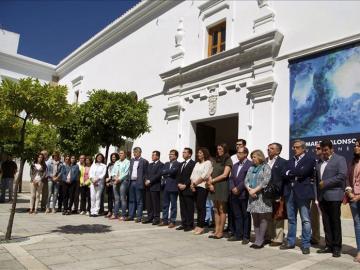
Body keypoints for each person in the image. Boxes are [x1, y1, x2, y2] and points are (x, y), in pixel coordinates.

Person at [281, 140, 316, 255]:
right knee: (291, 219)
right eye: (293, 147)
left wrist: (290, 173)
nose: (294, 149)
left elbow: (303, 172)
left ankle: (305, 244)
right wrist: (293, 173)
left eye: (296, 147)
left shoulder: (310, 159)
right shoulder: (289, 161)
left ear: (303, 148)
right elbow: (283, 173)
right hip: (289, 192)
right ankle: (291, 242)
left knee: (305, 219)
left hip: (303, 193)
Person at [316, 139, 347, 258]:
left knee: (335, 222)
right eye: (322, 150)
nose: (324, 152)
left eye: (326, 150)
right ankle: (328, 245)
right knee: (326, 222)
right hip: (322, 197)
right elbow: (317, 181)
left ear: (331, 149)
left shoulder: (340, 159)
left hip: (334, 196)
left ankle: (337, 247)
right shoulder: (319, 162)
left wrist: (326, 183)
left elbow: (342, 176)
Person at [245, 150, 272, 249]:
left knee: (262, 218)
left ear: (260, 157)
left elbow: (265, 181)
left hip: (262, 197)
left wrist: (254, 190)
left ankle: (260, 240)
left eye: (255, 157)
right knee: (255, 218)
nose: (253, 159)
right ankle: (257, 239)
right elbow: (246, 180)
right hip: (252, 196)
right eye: (252, 157)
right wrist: (249, 190)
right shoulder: (251, 168)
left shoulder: (266, 167)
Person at [265, 143, 288, 246]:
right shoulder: (264, 161)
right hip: (265, 193)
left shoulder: (283, 162)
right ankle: (269, 236)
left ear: (278, 151)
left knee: (278, 216)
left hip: (277, 193)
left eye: (272, 148)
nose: (268, 150)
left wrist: (280, 193)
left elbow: (283, 179)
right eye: (268, 148)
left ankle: (278, 239)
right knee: (267, 215)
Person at [208, 143, 232, 239]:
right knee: (215, 209)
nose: (219, 150)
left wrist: (212, 181)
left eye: (221, 149)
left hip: (222, 186)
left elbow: (225, 175)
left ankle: (221, 231)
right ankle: (216, 230)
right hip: (213, 186)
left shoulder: (228, 160)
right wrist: (210, 182)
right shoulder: (216, 159)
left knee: (222, 209)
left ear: (225, 149)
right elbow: (210, 171)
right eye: (218, 149)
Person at [227, 147, 252, 243]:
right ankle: (238, 234)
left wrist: (238, 188)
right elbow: (231, 178)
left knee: (245, 215)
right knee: (237, 215)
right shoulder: (235, 165)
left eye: (240, 153)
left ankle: (246, 236)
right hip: (234, 194)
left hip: (244, 193)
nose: (238, 154)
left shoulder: (250, 165)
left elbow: (247, 179)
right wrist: (233, 187)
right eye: (237, 152)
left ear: (245, 154)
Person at [190, 147, 213, 235]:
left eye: (200, 153)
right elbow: (192, 175)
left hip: (202, 187)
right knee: (198, 207)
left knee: (201, 206)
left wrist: (195, 183)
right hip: (195, 186)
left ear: (204, 154)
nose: (198, 154)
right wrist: (192, 184)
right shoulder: (197, 164)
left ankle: (201, 226)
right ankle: (198, 225)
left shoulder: (208, 163)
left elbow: (205, 175)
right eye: (198, 153)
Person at [345, 138, 360, 263]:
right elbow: (348, 179)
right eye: (355, 145)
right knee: (358, 225)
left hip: (358, 196)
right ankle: (359, 251)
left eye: (358, 145)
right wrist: (349, 191)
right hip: (353, 197)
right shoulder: (353, 162)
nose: (356, 147)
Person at [176, 148, 196, 232]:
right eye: (183, 152)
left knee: (189, 207)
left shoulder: (193, 164)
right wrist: (178, 183)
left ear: (190, 154)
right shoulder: (181, 164)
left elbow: (192, 176)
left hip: (188, 189)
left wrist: (185, 184)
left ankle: (189, 224)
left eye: (185, 152)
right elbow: (178, 175)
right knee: (183, 207)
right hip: (180, 188)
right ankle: (183, 223)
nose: (183, 153)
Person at [160, 150, 180, 228]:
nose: (170, 155)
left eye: (172, 154)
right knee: (165, 204)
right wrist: (168, 172)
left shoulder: (178, 164)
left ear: (176, 156)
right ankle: (165, 220)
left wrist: (167, 172)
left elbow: (173, 172)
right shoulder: (166, 163)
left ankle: (172, 221)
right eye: (169, 154)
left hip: (173, 187)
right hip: (165, 186)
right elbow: (162, 172)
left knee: (173, 205)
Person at [128, 147, 148, 222]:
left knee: (139, 200)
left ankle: (139, 217)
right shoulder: (131, 161)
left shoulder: (144, 161)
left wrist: (145, 181)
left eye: (135, 152)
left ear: (140, 153)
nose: (134, 153)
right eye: (134, 152)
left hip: (139, 182)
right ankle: (131, 215)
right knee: (131, 200)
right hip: (131, 182)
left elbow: (146, 173)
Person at [143, 151, 164, 225]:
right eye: (152, 155)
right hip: (148, 186)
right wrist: (145, 180)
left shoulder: (161, 164)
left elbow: (158, 175)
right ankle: (150, 217)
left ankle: (156, 218)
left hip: (155, 186)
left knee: (155, 203)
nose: (152, 156)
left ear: (158, 156)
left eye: (153, 155)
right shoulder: (150, 164)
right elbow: (146, 173)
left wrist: (150, 181)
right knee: (149, 203)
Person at [111, 150, 130, 220]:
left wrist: (119, 179)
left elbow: (126, 173)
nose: (120, 155)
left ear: (125, 155)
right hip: (115, 181)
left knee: (122, 198)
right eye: (119, 153)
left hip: (123, 181)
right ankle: (115, 214)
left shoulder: (127, 162)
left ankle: (123, 215)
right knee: (116, 199)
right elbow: (113, 171)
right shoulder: (117, 162)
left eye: (122, 153)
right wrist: (115, 177)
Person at [310, 143, 322, 245]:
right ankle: (315, 237)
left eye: (318, 148)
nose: (316, 150)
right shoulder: (315, 162)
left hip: (326, 194)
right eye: (315, 148)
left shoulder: (331, 162)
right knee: (314, 217)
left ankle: (331, 240)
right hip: (314, 194)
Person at [104, 153, 120, 218]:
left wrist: (111, 179)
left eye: (114, 157)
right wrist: (107, 181)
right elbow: (107, 174)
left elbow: (117, 174)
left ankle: (116, 212)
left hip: (115, 183)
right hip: (109, 184)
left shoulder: (119, 164)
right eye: (112, 157)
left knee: (116, 199)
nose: (113, 158)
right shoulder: (109, 165)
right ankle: (109, 211)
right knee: (109, 198)